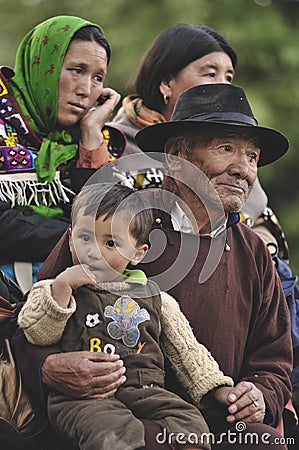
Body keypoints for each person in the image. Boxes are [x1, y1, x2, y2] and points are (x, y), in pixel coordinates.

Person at [24, 83, 293, 450]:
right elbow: (29, 320)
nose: (242, 169)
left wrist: (260, 393)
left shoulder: (254, 253)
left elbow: (273, 358)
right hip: (113, 416)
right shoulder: (112, 223)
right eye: (226, 148)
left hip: (213, 424)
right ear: (174, 157)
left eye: (252, 157)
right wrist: (48, 369)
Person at [18, 182, 236, 450]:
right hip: (82, 397)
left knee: (192, 425)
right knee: (110, 433)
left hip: (148, 390)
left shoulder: (155, 297)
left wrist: (217, 388)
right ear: (70, 238)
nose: (93, 251)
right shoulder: (55, 288)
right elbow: (38, 334)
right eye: (85, 238)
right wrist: (62, 287)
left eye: (110, 242)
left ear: (138, 252)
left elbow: (187, 351)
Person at [112, 23, 289, 261]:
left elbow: (262, 219)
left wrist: (258, 250)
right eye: (210, 73)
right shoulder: (112, 142)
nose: (222, 85)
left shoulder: (237, 159)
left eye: (229, 76)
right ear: (166, 83)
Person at [0, 15, 123, 287]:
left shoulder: (89, 138)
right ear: (44, 66)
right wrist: (85, 241)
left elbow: (112, 223)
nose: (85, 90)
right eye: (77, 70)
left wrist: (91, 134)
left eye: (98, 78)